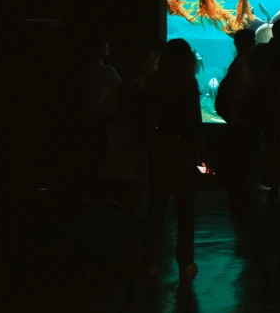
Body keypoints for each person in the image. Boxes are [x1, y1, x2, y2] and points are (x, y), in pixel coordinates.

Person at [143, 38, 211, 277]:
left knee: (155, 208)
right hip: (183, 151)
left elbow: (146, 116)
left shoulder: (154, 80)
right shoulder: (187, 82)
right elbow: (194, 122)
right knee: (185, 209)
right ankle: (185, 263)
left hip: (159, 149)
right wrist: (202, 157)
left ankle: (150, 262)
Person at [103, 43, 158, 265]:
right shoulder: (138, 93)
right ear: (141, 64)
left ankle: (126, 247)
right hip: (134, 154)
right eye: (150, 61)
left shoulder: (122, 89)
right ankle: (131, 249)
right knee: (134, 202)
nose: (153, 65)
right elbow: (141, 127)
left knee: (128, 203)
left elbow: (106, 111)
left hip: (121, 150)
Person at [252, 19, 280, 202]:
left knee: (273, 148)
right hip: (279, 107)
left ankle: (276, 184)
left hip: (268, 107)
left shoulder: (263, 52)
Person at [217, 28, 260, 212]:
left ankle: (243, 191)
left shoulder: (239, 63)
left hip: (239, 121)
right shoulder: (240, 66)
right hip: (240, 122)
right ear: (250, 44)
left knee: (243, 158)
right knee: (243, 158)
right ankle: (242, 194)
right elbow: (239, 94)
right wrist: (237, 118)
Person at [80, 35, 122, 203]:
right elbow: (122, 87)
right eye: (106, 47)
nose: (109, 51)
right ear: (99, 50)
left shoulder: (84, 71)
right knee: (101, 158)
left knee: (88, 156)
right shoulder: (107, 71)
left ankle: (86, 193)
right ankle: (101, 195)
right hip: (101, 120)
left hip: (85, 118)